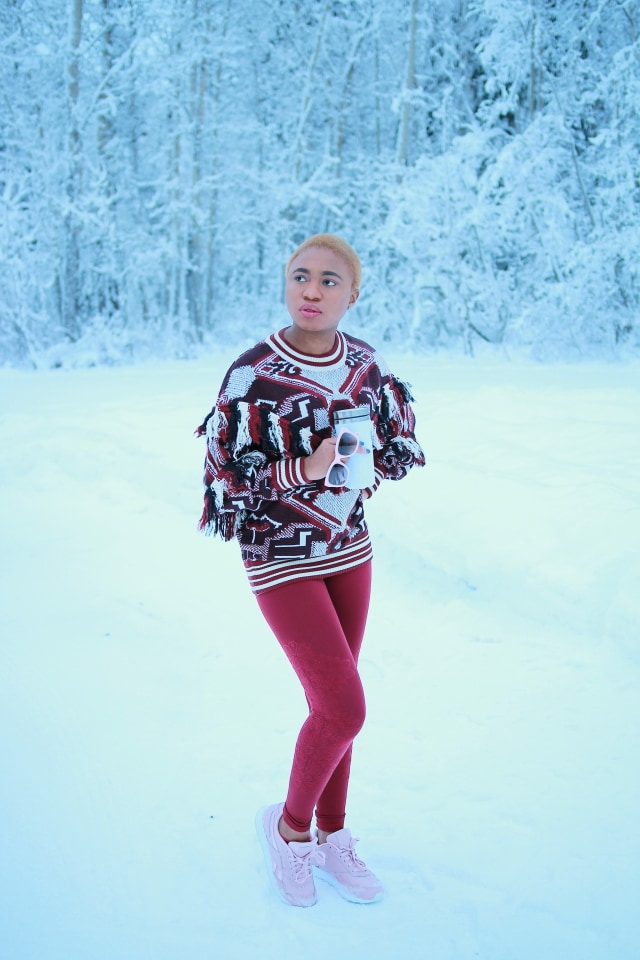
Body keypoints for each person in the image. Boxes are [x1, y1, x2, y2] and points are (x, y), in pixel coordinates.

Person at [196, 234, 425, 907]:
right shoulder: (251, 373)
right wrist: (306, 467)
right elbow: (223, 484)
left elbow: (395, 451)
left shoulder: (366, 366)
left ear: (353, 295)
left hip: (350, 549)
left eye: (330, 280)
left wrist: (365, 458)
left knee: (334, 709)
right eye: (301, 276)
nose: (313, 290)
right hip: (279, 557)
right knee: (344, 707)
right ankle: (290, 832)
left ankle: (334, 835)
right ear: (285, 284)